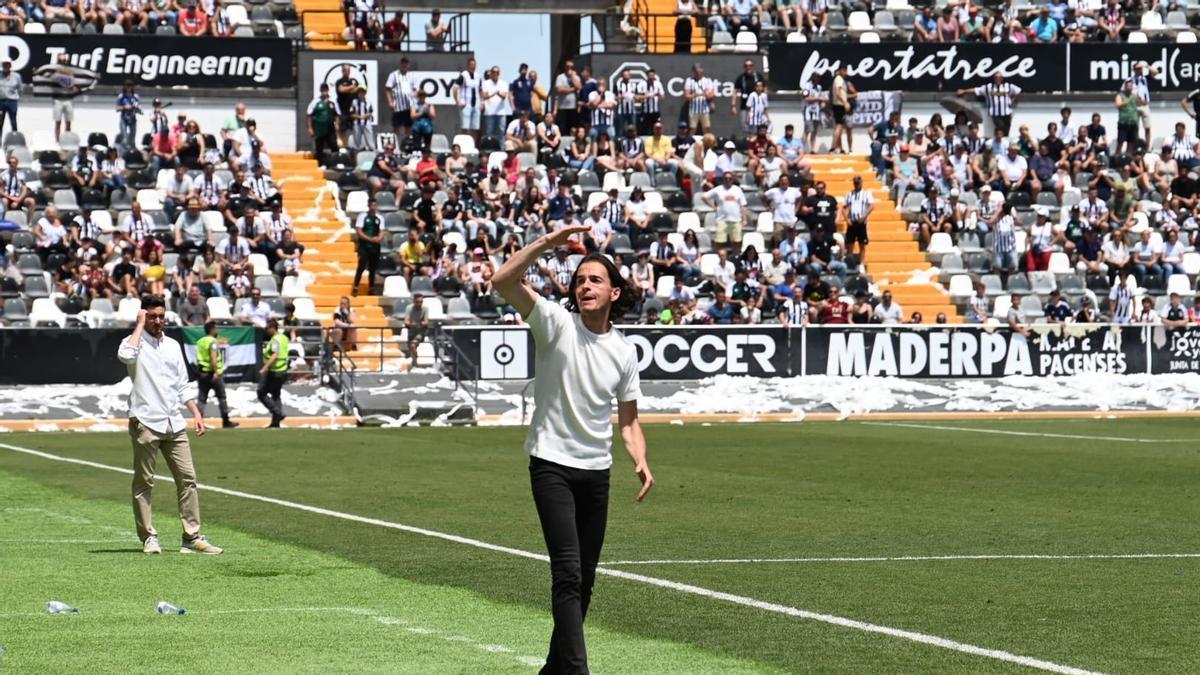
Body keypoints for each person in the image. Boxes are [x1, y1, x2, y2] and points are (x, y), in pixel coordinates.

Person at [491, 222, 653, 675]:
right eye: (580, 280)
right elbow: (502, 280)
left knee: (584, 581)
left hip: (595, 473)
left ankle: (552, 670)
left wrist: (639, 458)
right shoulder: (554, 323)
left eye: (595, 279)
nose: (585, 285)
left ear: (615, 293)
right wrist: (547, 244)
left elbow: (630, 421)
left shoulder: (623, 352)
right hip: (552, 467)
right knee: (566, 573)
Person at [118, 295, 223, 555]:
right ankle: (148, 537)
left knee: (188, 479)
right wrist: (139, 326)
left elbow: (182, 383)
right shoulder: (133, 342)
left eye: (161, 316)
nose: (157, 321)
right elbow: (125, 356)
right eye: (152, 316)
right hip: (145, 420)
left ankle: (192, 537)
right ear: (144, 316)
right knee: (144, 481)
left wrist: (195, 412)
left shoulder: (173, 345)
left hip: (173, 422)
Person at [195, 320, 238, 429]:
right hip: (212, 373)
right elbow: (213, 357)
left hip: (202, 372)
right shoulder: (213, 341)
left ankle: (199, 422)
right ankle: (226, 421)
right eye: (216, 328)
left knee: (202, 398)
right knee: (222, 397)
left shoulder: (200, 341)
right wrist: (215, 372)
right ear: (212, 330)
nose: (217, 331)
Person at [258, 319, 289, 428]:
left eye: (268, 328)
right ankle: (275, 422)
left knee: (261, 392)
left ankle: (278, 413)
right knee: (276, 395)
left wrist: (265, 367)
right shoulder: (284, 338)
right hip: (283, 369)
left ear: (273, 328)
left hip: (275, 370)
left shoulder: (275, 340)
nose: (266, 331)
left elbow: (275, 354)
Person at [841, 175, 874, 266]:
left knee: (862, 244)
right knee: (850, 244)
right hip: (852, 222)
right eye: (855, 183)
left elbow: (872, 206)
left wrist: (864, 216)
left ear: (861, 183)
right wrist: (847, 219)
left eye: (858, 183)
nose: (857, 185)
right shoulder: (849, 194)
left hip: (861, 222)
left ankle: (861, 263)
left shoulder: (866, 193)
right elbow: (843, 208)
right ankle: (850, 263)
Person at [306, 83, 340, 164]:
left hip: (330, 128)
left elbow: (337, 114)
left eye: (325, 90)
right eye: (322, 90)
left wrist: (337, 124)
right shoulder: (315, 102)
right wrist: (310, 128)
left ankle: (335, 162)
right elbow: (309, 115)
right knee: (319, 147)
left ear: (328, 90)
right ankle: (320, 164)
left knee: (333, 145)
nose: (324, 92)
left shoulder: (333, 101)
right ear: (320, 91)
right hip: (319, 128)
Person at [404, 293, 430, 368]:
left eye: (421, 302)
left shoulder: (425, 308)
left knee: (413, 345)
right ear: (414, 301)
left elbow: (426, 321)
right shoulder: (409, 308)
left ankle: (415, 364)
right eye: (417, 302)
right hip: (411, 331)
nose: (419, 304)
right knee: (411, 348)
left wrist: (417, 324)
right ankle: (414, 362)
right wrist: (412, 324)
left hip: (420, 331)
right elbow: (406, 321)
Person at [0, 60, 21, 138]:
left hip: (12, 102)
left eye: (7, 64)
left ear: (10, 65)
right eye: (4, 64)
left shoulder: (16, 76)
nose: (5, 66)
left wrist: (16, 98)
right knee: (0, 122)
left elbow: (20, 89)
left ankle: (15, 139)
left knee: (13, 122)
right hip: (1, 102)